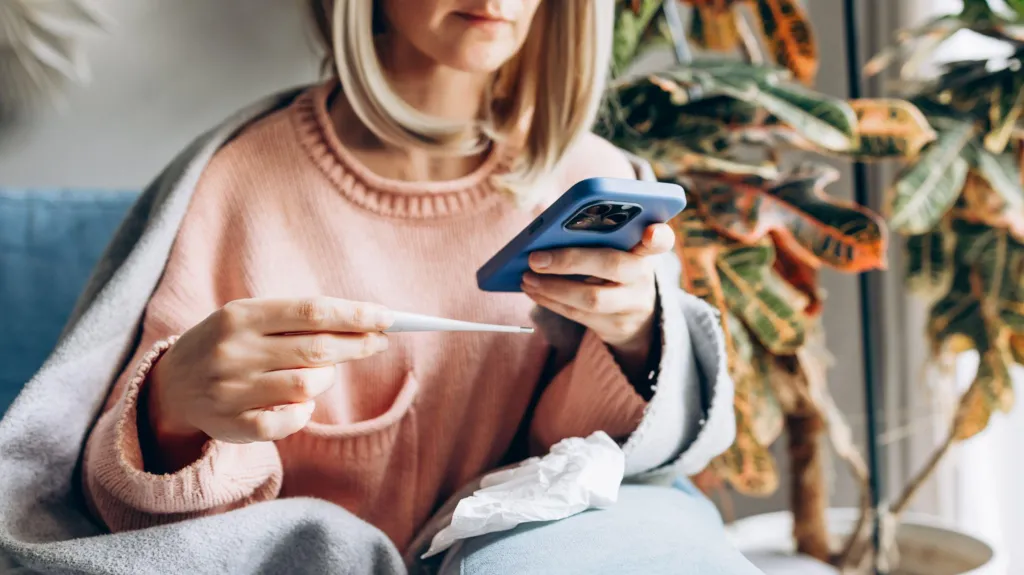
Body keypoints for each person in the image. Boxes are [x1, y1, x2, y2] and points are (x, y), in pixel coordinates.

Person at [80, 1, 757, 572]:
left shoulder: (596, 183)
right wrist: (173, 414)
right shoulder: (236, 187)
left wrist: (635, 341)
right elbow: (120, 508)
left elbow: (598, 465)